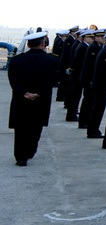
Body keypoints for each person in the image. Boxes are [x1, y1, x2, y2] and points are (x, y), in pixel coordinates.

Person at [7, 31, 59, 166]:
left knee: (21, 128)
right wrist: (38, 93)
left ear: (28, 45)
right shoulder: (52, 60)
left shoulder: (17, 60)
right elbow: (52, 79)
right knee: (35, 127)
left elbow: (13, 79)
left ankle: (20, 157)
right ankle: (30, 151)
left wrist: (24, 93)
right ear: (43, 44)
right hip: (40, 100)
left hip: (21, 99)